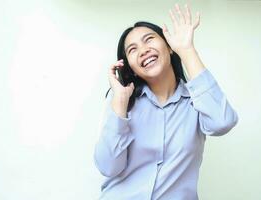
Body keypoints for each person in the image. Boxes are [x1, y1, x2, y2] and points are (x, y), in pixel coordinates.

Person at [93, 2, 238, 200]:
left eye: (149, 39)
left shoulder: (197, 101)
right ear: (130, 68)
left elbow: (223, 122)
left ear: (169, 47)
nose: (143, 50)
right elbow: (108, 167)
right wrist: (119, 103)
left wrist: (186, 50)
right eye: (132, 49)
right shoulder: (121, 100)